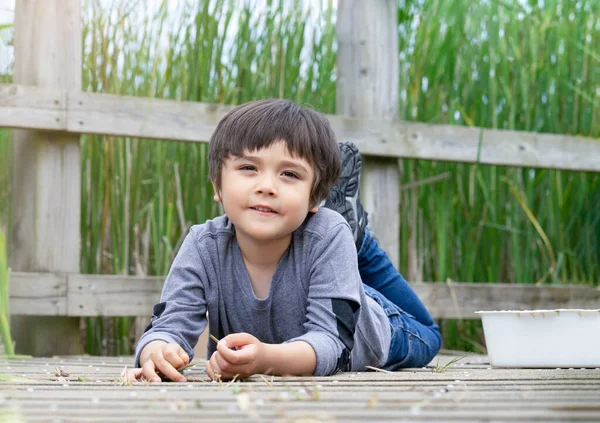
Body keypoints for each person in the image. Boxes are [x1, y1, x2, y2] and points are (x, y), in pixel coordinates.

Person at [129, 99, 441, 383]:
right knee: (331, 252)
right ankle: (351, 238)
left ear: (315, 198)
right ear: (218, 185)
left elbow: (331, 343)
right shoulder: (203, 244)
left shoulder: (326, 234)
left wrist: (264, 359)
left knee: (431, 335)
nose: (266, 186)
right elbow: (167, 324)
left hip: (371, 326)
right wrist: (156, 350)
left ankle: (358, 241)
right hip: (324, 271)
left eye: (289, 174)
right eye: (248, 168)